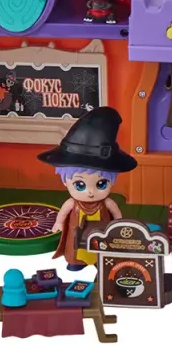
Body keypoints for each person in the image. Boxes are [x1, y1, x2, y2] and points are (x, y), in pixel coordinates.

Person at [37, 107, 138, 271]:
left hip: (103, 236)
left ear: (112, 181)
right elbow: (63, 214)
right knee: (76, 247)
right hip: (77, 237)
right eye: (80, 185)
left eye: (101, 184)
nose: (90, 192)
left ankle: (101, 261)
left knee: (103, 248)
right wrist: (59, 222)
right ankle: (76, 262)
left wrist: (119, 225)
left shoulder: (106, 203)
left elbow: (116, 215)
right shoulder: (73, 204)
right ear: (65, 181)